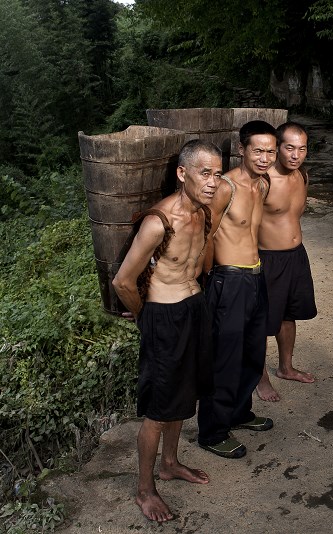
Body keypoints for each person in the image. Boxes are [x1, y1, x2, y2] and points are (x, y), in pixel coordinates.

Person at [111, 139, 221, 522]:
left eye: (217, 173)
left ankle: (170, 463)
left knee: (185, 393)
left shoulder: (203, 212)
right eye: (204, 173)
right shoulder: (159, 221)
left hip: (193, 309)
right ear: (182, 173)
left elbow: (197, 261)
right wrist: (146, 317)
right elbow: (123, 282)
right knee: (159, 410)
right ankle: (145, 490)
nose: (212, 181)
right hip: (165, 314)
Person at [197, 120, 277, 459]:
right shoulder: (226, 186)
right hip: (228, 280)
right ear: (242, 148)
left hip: (256, 277)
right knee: (225, 359)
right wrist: (206, 281)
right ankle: (213, 432)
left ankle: (239, 412)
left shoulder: (262, 185)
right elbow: (205, 234)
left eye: (270, 151)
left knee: (253, 352)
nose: (264, 157)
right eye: (257, 150)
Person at [255, 122, 318, 402]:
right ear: (277, 147)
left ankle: (286, 367)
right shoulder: (263, 180)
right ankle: (261, 378)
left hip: (296, 255)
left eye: (302, 148)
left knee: (289, 315)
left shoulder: (302, 176)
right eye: (289, 147)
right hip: (267, 258)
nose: (296, 155)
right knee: (260, 322)